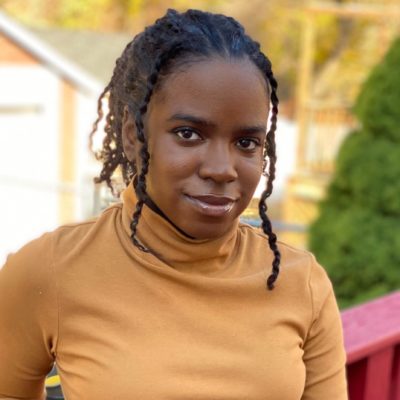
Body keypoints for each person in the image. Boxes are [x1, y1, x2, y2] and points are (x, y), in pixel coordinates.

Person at [0, 8, 348, 400]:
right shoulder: (49, 271)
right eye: (188, 134)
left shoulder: (301, 283)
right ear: (134, 137)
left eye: (247, 142)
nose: (221, 169)